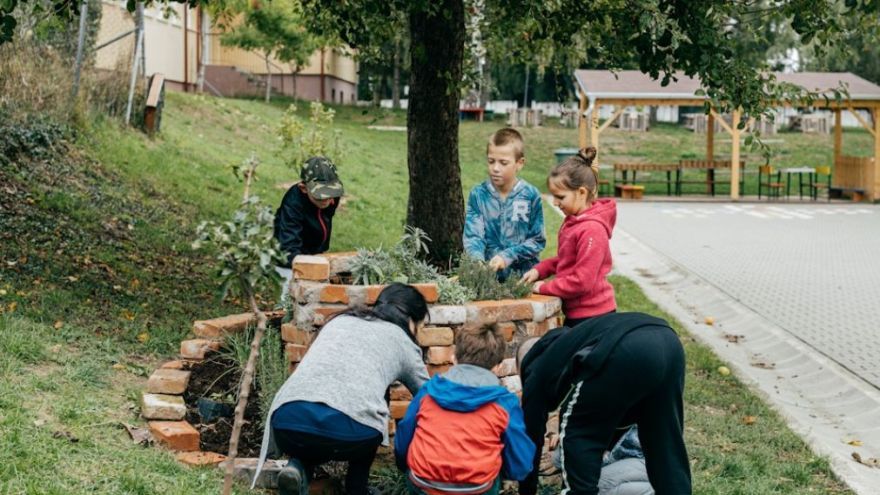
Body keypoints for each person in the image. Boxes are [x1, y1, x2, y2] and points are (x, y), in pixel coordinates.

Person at [252, 283, 430, 495]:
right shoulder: (403, 342)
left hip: (286, 422)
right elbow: (429, 396)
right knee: (369, 409)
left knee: (315, 423)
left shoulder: (340, 321)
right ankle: (357, 488)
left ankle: (298, 468)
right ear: (411, 319)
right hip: (347, 436)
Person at [516, 312, 691, 495]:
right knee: (665, 444)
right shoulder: (575, 340)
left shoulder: (537, 370)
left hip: (628, 347)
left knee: (578, 434)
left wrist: (526, 491)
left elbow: (530, 440)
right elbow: (611, 414)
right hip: (670, 343)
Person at [395, 325, 535, 495]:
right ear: (498, 367)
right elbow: (520, 462)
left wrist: (405, 466)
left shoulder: (428, 392)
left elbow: (404, 436)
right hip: (476, 488)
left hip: (424, 484)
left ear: (454, 358)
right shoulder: (505, 403)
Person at [520, 147, 616, 327]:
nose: (555, 202)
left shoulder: (591, 230)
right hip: (578, 313)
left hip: (594, 317)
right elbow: (568, 260)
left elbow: (581, 281)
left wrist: (543, 287)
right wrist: (540, 270)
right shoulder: (575, 222)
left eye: (560, 197)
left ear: (581, 193)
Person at [463, 127, 546, 281]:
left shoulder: (530, 195)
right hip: (488, 281)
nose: (495, 168)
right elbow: (473, 236)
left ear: (519, 163)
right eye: (491, 161)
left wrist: (507, 256)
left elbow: (537, 240)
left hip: (522, 281)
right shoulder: (478, 195)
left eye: (503, 163)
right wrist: (477, 261)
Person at [273, 156, 344, 299]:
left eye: (330, 194)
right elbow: (288, 247)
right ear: (304, 188)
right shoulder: (293, 204)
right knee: (291, 295)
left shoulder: (332, 196)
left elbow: (326, 217)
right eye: (320, 196)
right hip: (288, 256)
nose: (327, 200)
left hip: (315, 249)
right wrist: (307, 268)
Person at [550, 426, 654, 495]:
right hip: (616, 452)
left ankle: (657, 488)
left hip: (650, 461)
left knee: (595, 486)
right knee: (559, 458)